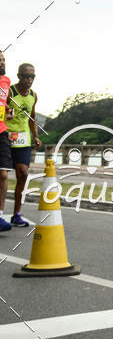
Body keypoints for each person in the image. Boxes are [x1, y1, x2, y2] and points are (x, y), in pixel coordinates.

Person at [6, 63, 41, 227]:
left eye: (32, 77)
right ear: (19, 76)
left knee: (23, 174)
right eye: (26, 76)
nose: (29, 80)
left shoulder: (33, 95)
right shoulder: (9, 92)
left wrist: (36, 136)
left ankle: (16, 214)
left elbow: (32, 118)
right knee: (2, 176)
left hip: (23, 141)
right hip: (6, 138)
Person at [0, 52, 12, 232]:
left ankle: (0, 215)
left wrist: (9, 111)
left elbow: (5, 102)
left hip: (1, 131)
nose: (2, 62)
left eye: (3, 60)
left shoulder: (6, 81)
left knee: (3, 174)